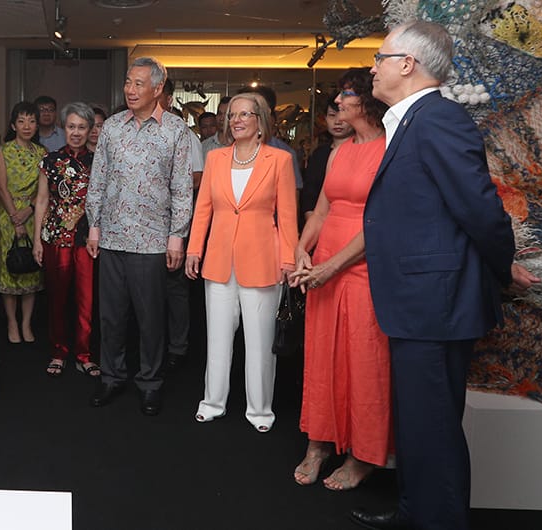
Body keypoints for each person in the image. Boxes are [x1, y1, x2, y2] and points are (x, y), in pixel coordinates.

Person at [353, 21, 536, 530]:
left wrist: (503, 267)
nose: (374, 66)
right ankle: (415, 510)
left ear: (407, 64)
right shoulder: (413, 120)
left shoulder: (438, 119)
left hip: (435, 301)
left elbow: (481, 209)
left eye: (380, 57)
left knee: (432, 425)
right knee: (416, 422)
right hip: (418, 300)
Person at [289, 69, 390, 492]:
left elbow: (382, 221)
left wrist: (332, 267)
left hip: (364, 267)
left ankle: (363, 455)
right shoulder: (340, 150)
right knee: (322, 356)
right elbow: (324, 208)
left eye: (344, 97)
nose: (337, 106)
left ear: (364, 101)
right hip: (323, 265)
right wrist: (301, 248)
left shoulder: (390, 149)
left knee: (364, 361)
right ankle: (318, 443)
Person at [86, 56, 194, 416]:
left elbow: (181, 187)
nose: (130, 90)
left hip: (152, 240)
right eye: (127, 83)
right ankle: (112, 376)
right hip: (113, 237)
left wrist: (177, 235)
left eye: (138, 84)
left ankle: (150, 382)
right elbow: (98, 180)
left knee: (151, 317)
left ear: (157, 88)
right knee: (112, 317)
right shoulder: (113, 127)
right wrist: (94, 225)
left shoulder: (176, 130)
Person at [184, 91, 298, 432]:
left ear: (261, 122)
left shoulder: (279, 160)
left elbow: (288, 216)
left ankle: (260, 410)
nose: (237, 120)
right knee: (217, 337)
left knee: (261, 343)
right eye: (232, 114)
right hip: (218, 259)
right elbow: (203, 208)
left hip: (263, 260)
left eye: (245, 114)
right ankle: (212, 402)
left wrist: (289, 260)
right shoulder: (216, 158)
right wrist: (194, 249)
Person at [32, 103, 99, 377]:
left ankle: (84, 354)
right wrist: (37, 239)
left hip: (86, 239)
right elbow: (42, 200)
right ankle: (59, 351)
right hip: (55, 238)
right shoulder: (50, 160)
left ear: (90, 130)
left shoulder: (98, 161)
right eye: (71, 126)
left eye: (82, 127)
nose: (76, 132)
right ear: (63, 128)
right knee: (57, 298)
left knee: (86, 300)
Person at [161, 78, 206, 371]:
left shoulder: (187, 136)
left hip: (177, 221)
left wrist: (164, 186)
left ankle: (178, 346)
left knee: (175, 288)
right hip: (144, 225)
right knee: (148, 288)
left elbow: (198, 177)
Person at [0, 101, 47, 343]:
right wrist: (15, 217)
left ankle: (26, 324)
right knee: (10, 268)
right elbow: (1, 187)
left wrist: (29, 209)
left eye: (32, 121)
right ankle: (12, 323)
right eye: (22, 121)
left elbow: (45, 190)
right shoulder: (3, 151)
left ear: (37, 125)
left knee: (31, 271)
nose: (27, 126)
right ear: (13, 124)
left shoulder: (42, 153)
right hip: (9, 216)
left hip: (33, 214)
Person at [301, 96, 355, 223]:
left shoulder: (362, 151)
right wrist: (313, 223)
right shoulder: (319, 154)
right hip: (317, 224)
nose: (338, 121)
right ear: (324, 118)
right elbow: (309, 194)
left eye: (342, 114)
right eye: (332, 115)